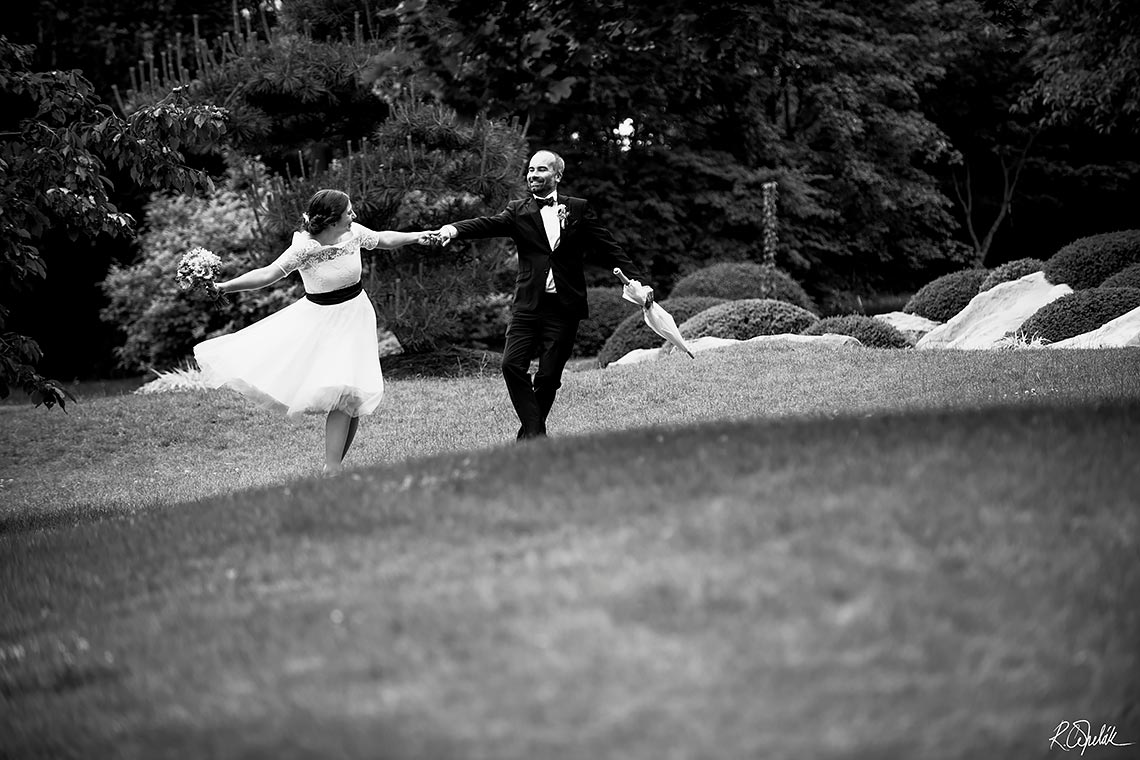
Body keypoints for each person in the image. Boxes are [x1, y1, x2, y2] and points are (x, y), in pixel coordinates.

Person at [193, 189, 438, 475]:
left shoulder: (353, 233)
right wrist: (223, 287)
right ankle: (332, 469)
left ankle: (331, 470)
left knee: (353, 394)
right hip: (322, 323)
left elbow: (382, 238)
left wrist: (417, 235)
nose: (354, 216)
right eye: (349, 212)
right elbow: (267, 274)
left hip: (356, 316)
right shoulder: (304, 248)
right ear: (332, 221)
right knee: (344, 389)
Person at [434, 149, 655, 440]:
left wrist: (639, 282)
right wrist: (454, 229)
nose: (532, 175)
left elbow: (609, 247)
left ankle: (529, 438)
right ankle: (536, 434)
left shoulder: (577, 209)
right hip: (528, 304)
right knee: (511, 365)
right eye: (530, 170)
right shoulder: (517, 210)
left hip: (565, 307)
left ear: (557, 175)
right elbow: (487, 224)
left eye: (540, 170)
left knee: (549, 377)